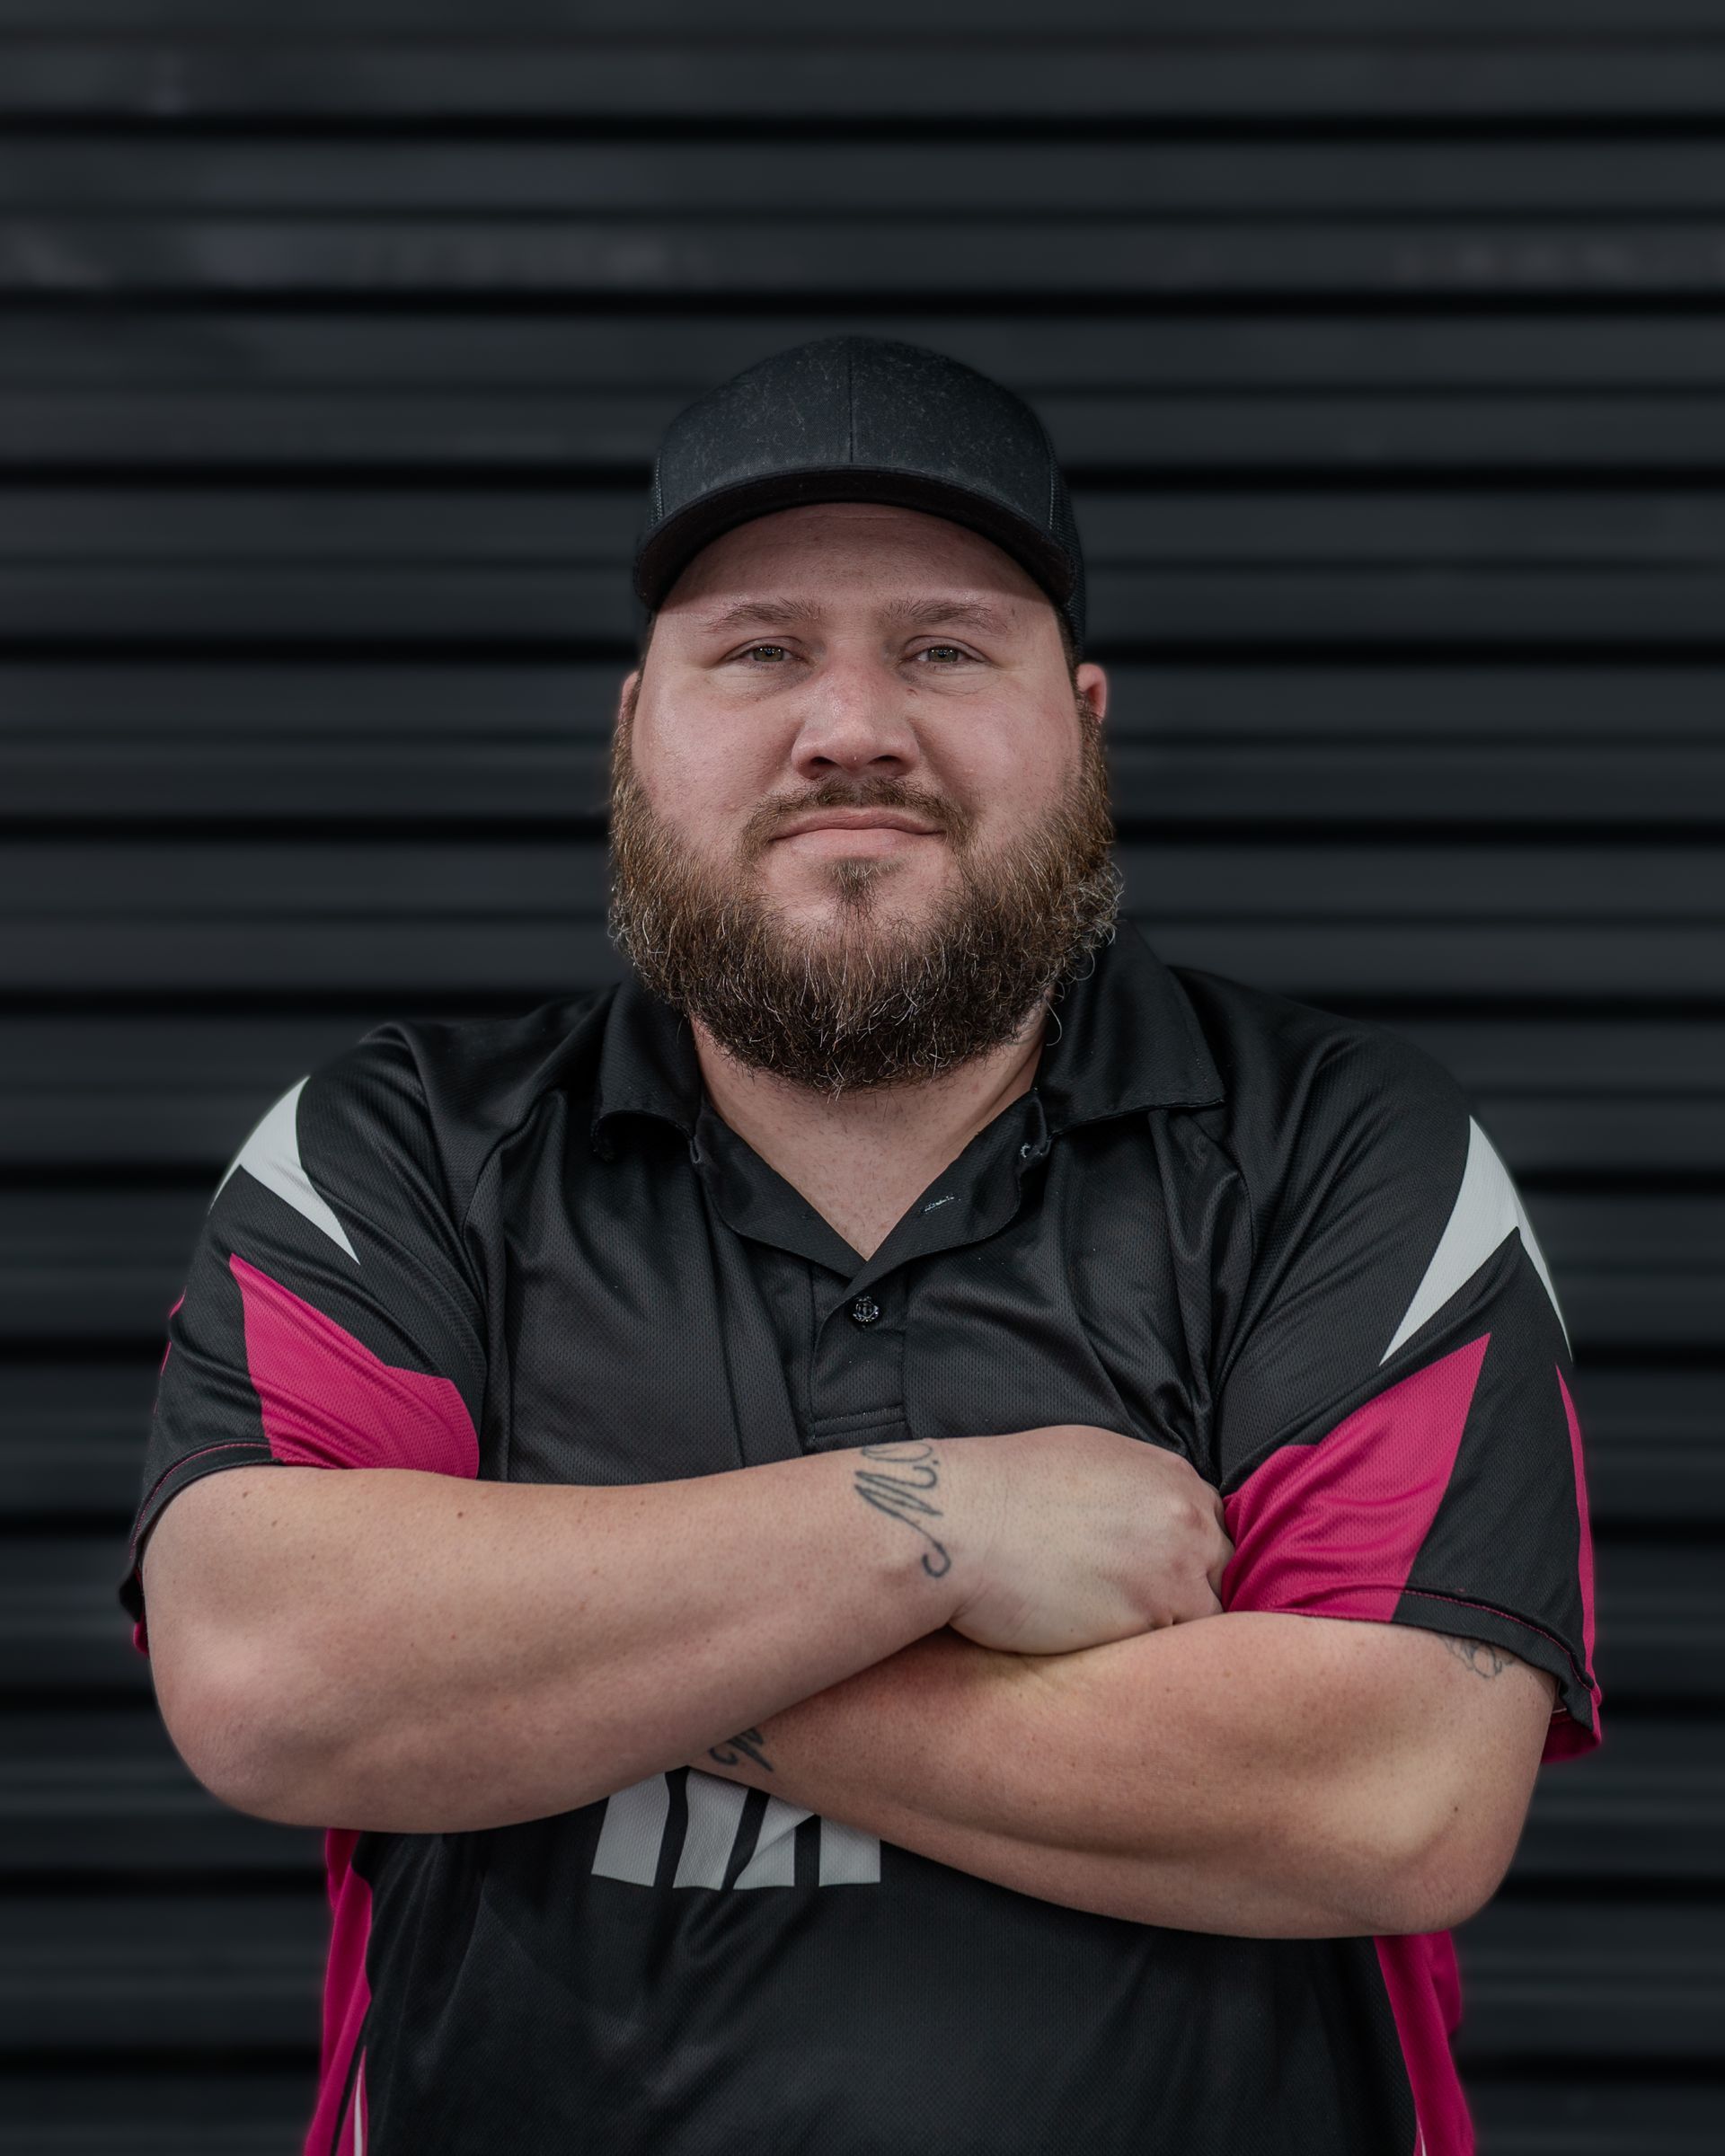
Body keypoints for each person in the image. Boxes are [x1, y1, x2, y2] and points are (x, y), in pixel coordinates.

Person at [120, 335, 1601, 2156]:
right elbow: (273, 1675)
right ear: (632, 728)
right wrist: (948, 1526)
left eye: (943, 649)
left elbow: (1397, 1793)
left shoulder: (1344, 1154)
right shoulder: (399, 1155)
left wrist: (577, 1657)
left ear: (1085, 716)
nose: (851, 728)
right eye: (759, 652)